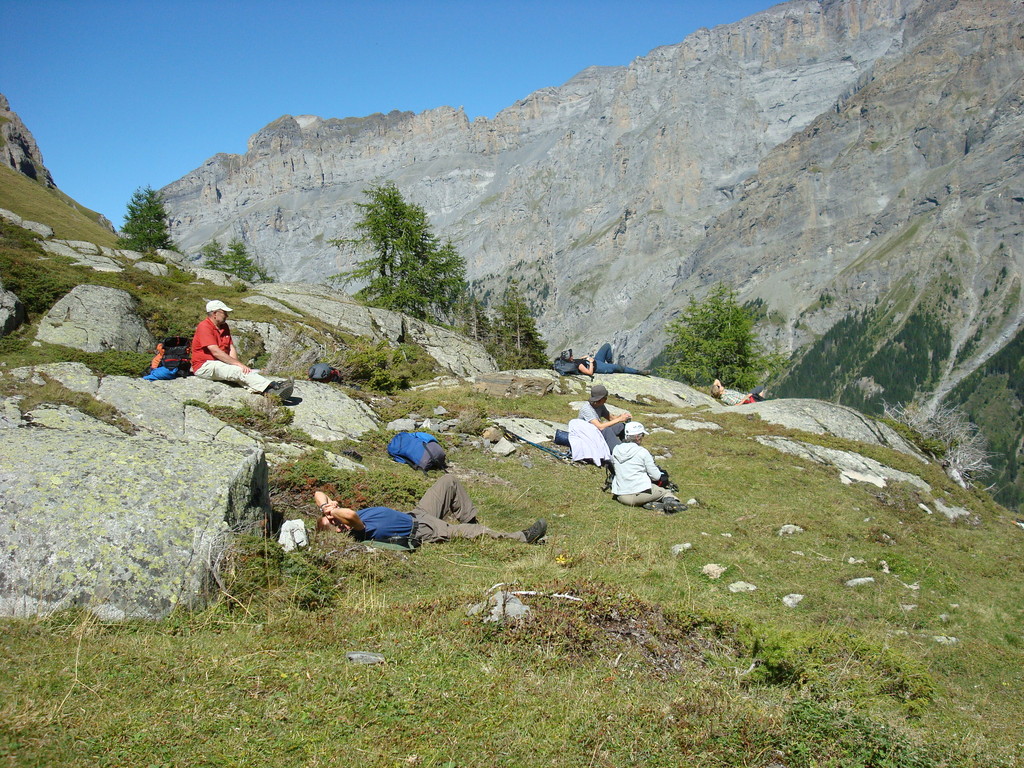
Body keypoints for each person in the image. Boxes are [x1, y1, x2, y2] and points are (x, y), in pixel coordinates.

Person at [314, 475, 547, 545]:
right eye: (332, 524)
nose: (334, 520)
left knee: (448, 481)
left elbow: (318, 493)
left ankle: (469, 521)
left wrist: (326, 506)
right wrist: (333, 513)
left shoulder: (339, 518)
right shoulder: (355, 530)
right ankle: (522, 538)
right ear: (337, 533)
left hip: (417, 513)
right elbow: (351, 516)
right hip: (425, 530)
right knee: (480, 533)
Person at [191, 300, 293, 398]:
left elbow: (230, 347)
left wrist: (236, 364)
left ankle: (269, 392)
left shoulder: (224, 326)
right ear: (214, 313)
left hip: (219, 363)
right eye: (224, 312)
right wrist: (238, 365)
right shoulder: (204, 326)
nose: (227, 315)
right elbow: (215, 351)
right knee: (238, 372)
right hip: (204, 365)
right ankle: (273, 385)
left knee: (239, 374)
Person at [611, 422, 685, 512]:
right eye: (642, 435)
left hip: (621, 496)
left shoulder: (616, 450)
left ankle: (649, 503)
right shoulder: (642, 452)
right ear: (638, 437)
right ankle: (670, 503)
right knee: (665, 492)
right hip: (639, 494)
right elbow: (656, 476)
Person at [579, 383, 631, 451]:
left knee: (621, 426)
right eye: (605, 397)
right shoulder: (587, 409)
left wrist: (622, 417)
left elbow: (611, 418)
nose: (606, 399)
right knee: (606, 430)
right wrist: (619, 419)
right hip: (588, 436)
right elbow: (600, 427)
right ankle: (620, 452)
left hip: (597, 433)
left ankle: (629, 447)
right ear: (601, 399)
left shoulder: (600, 405)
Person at [575, 343, 649, 376]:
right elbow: (590, 372)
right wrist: (590, 362)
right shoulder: (577, 366)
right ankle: (638, 372)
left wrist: (583, 358)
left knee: (607, 346)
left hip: (596, 360)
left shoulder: (572, 361)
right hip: (598, 367)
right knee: (618, 367)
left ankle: (610, 363)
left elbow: (579, 362)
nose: (572, 356)